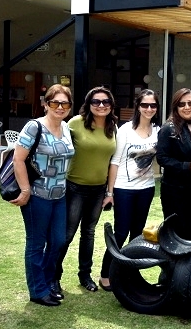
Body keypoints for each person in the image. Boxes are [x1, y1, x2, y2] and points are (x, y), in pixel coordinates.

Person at [11, 84, 75, 307]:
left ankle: (48, 283)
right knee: (36, 244)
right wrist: (25, 190)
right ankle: (38, 291)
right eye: (55, 103)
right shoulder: (34, 127)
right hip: (37, 195)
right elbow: (18, 159)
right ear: (46, 104)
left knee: (58, 241)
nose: (60, 107)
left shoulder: (66, 128)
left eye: (65, 103)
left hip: (60, 196)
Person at [54, 87, 118, 294]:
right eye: (96, 102)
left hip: (98, 189)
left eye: (106, 102)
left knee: (88, 233)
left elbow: (112, 162)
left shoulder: (112, 127)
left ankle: (85, 275)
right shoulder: (75, 124)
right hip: (75, 187)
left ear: (111, 105)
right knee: (67, 234)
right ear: (88, 104)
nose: (101, 105)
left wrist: (109, 192)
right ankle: (54, 276)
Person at [98, 89, 160, 291]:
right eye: (145, 105)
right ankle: (106, 273)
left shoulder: (158, 131)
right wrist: (109, 193)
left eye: (152, 105)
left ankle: (131, 272)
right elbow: (114, 162)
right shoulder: (125, 130)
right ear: (138, 107)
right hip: (124, 188)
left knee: (137, 235)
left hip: (146, 188)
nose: (149, 109)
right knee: (121, 232)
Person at [156, 88, 191, 240]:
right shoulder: (168, 129)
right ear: (175, 107)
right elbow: (162, 158)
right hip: (175, 191)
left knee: (190, 232)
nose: (187, 107)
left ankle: (188, 263)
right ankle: (174, 264)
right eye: (182, 104)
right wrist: (186, 166)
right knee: (176, 234)